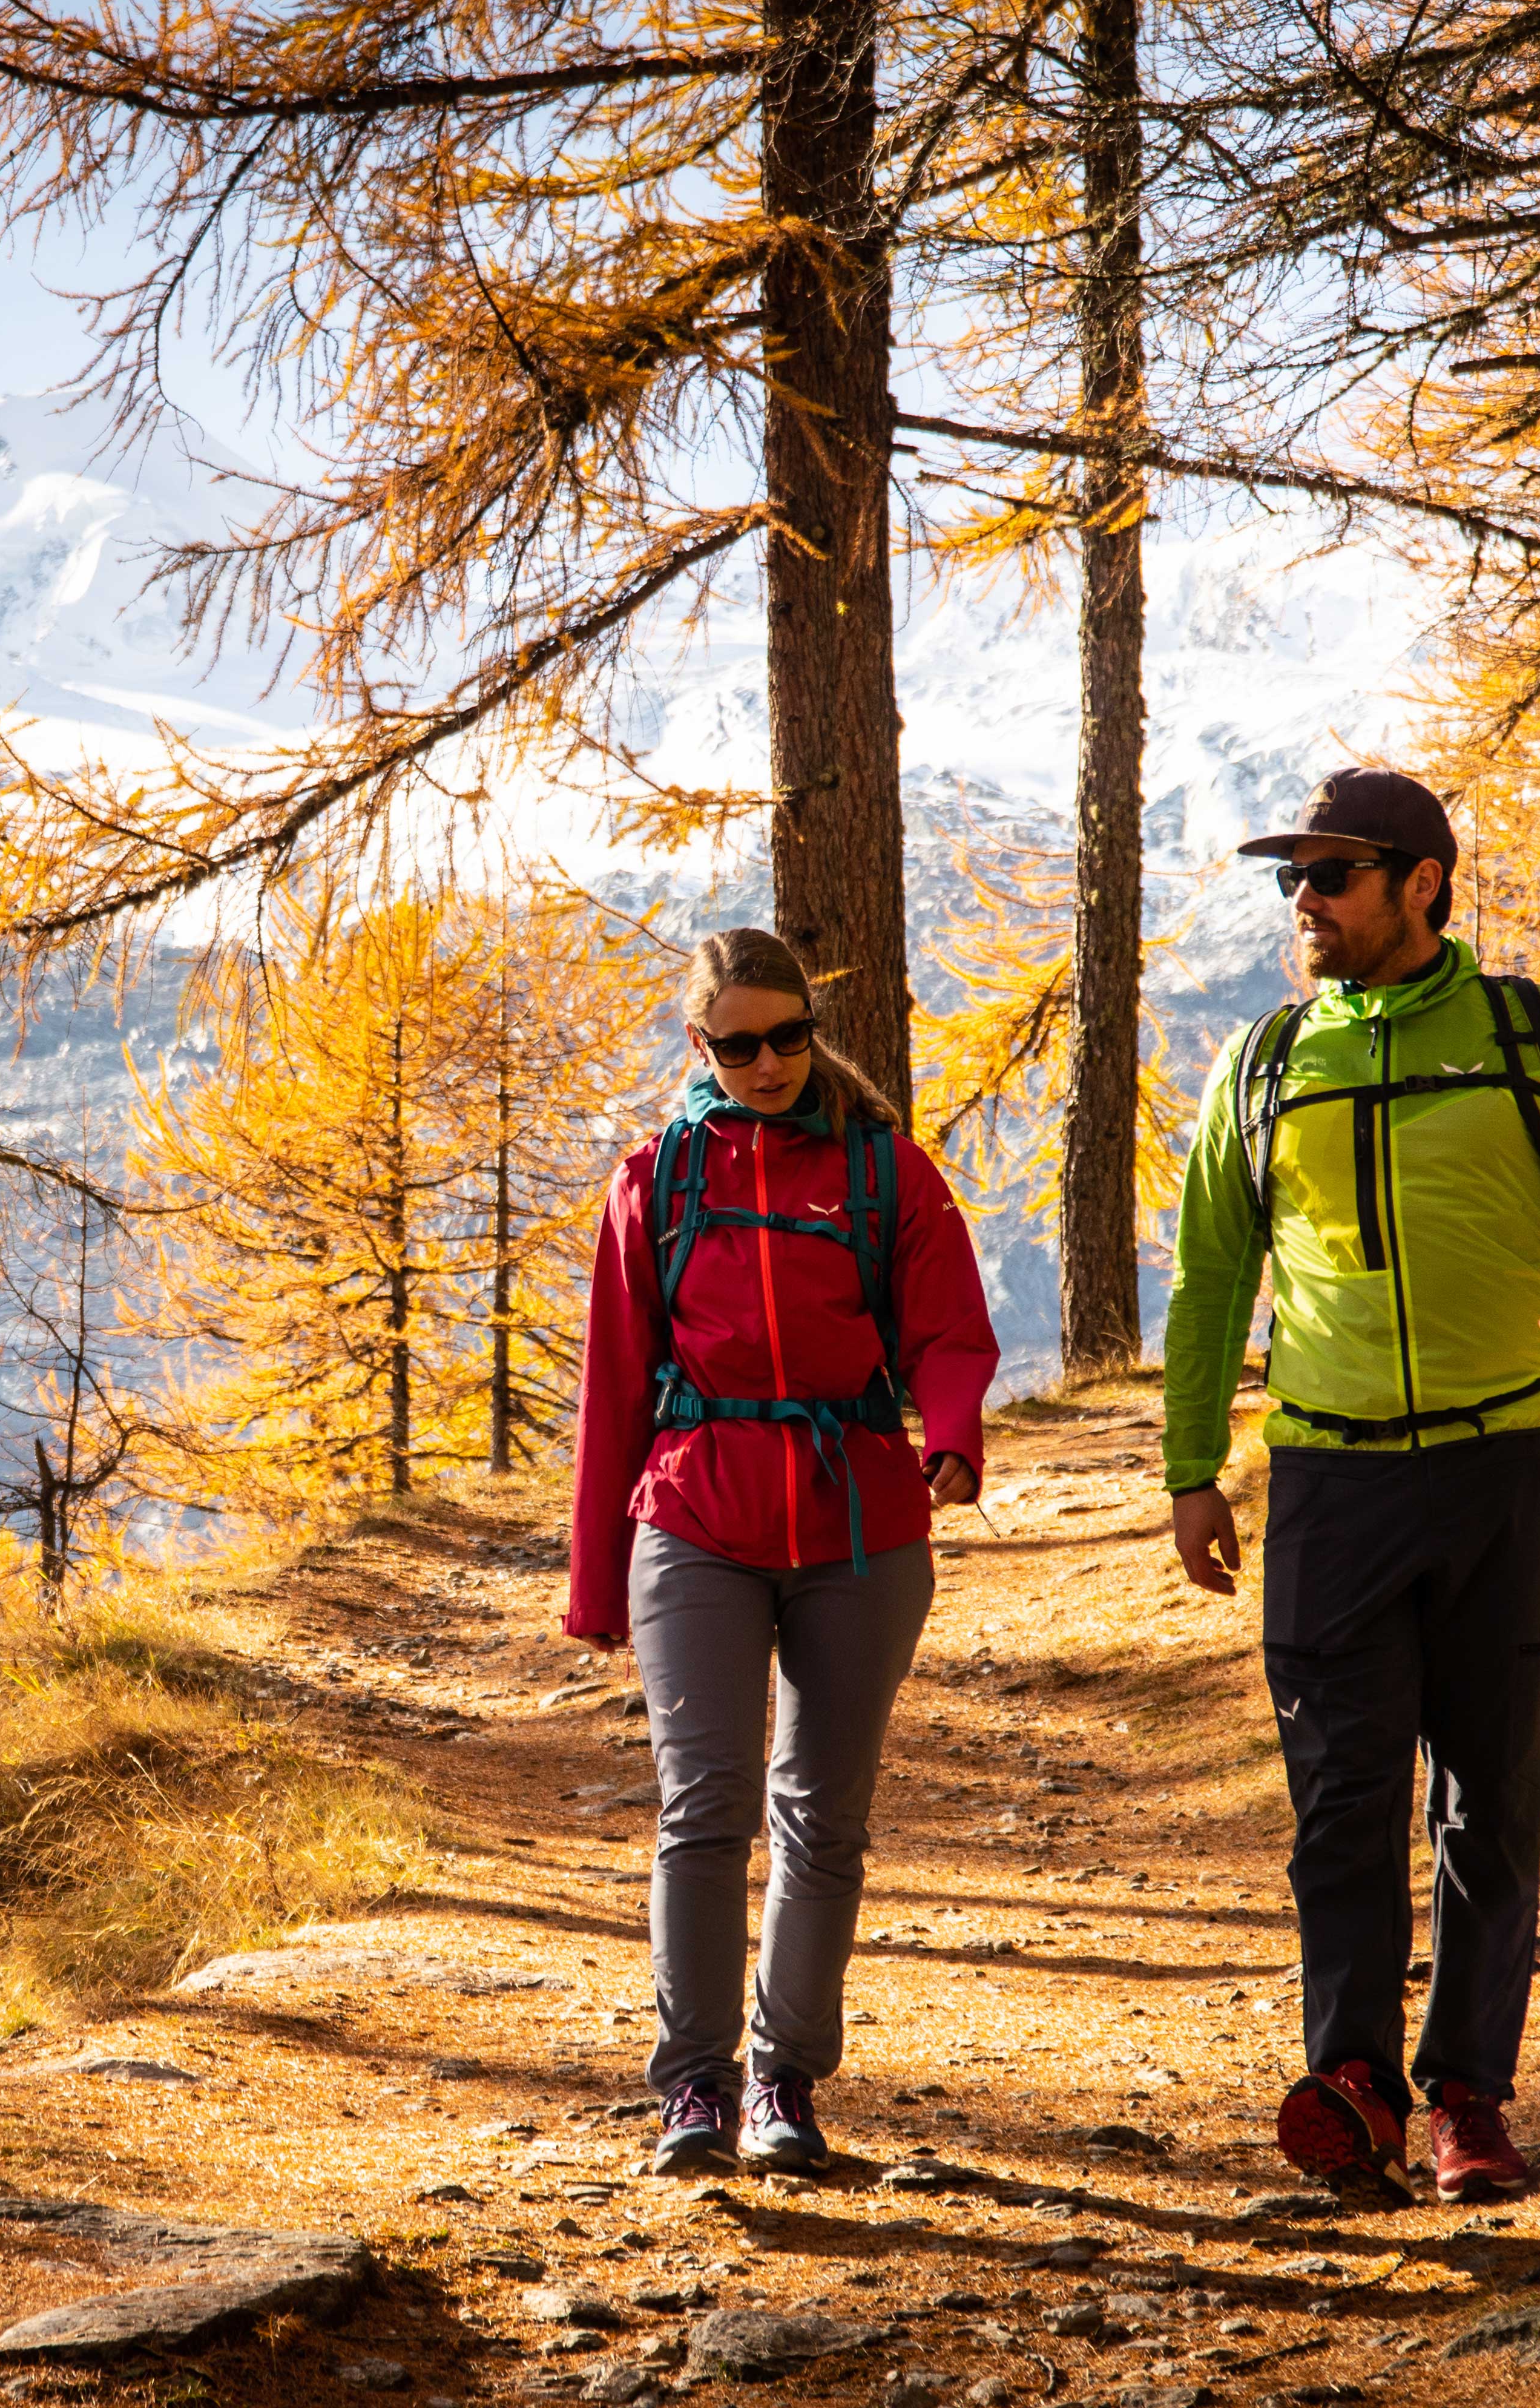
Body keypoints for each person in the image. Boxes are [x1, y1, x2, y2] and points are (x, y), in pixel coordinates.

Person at [1162, 768, 1540, 2204]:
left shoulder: (1536, 1030)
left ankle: (1468, 2093)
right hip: (1329, 1480)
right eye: (1293, 880)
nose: (1304, 903)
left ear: (1423, 881)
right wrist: (1192, 1467)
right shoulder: (1265, 1062)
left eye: (1333, 875)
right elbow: (1211, 1274)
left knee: (1492, 1799)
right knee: (1340, 1800)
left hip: (1502, 1469)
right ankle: (1352, 2079)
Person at [564, 928, 998, 2176]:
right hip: (694, 1515)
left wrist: (953, 1438)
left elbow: (951, 1330)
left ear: (813, 1029)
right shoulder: (657, 1178)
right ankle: (692, 2086)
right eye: (739, 1043)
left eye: (789, 1036)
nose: (768, 1063)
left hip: (859, 1521)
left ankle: (783, 2085)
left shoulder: (884, 1171)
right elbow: (612, 1391)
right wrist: (597, 1581)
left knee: (822, 1816)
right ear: (699, 1047)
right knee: (705, 1810)